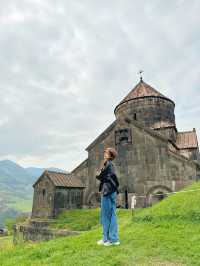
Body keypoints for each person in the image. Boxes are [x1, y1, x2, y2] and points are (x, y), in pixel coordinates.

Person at [96, 147, 120, 246]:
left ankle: (113, 239)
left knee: (109, 215)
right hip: (109, 191)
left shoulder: (109, 164)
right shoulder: (108, 164)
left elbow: (104, 176)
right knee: (106, 215)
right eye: (105, 151)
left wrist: (100, 175)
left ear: (110, 155)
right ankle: (105, 238)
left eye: (106, 152)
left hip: (108, 191)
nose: (104, 153)